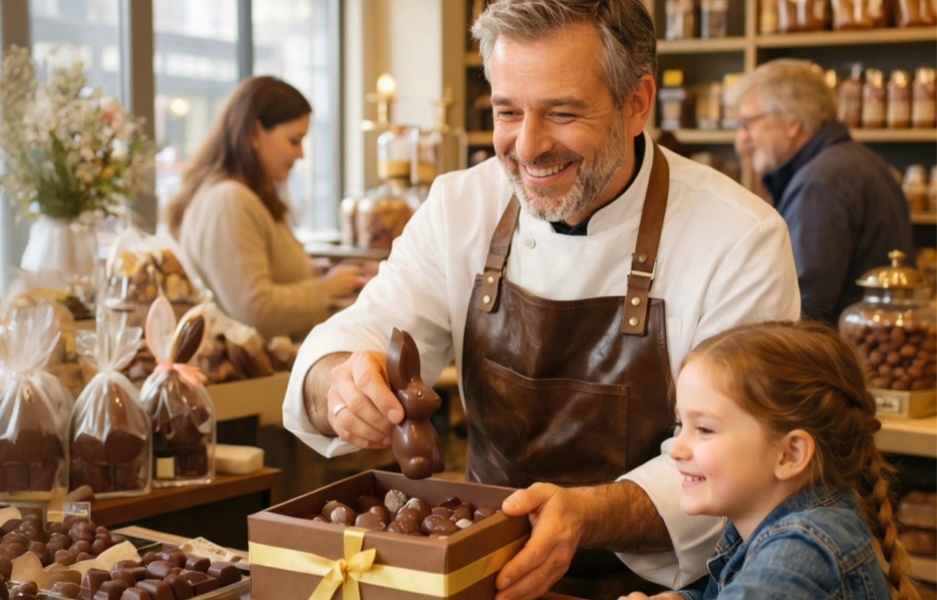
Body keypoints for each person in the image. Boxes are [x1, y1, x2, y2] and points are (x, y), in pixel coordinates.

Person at [281, 0, 802, 597]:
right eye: (508, 111)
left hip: (664, 586)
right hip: (483, 571)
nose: (527, 147)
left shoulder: (738, 237)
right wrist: (340, 384)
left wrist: (586, 516)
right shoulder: (461, 208)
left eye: (560, 112)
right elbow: (364, 332)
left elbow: (743, 461)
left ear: (637, 103)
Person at [620, 321, 918, 600]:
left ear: (790, 455)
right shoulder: (767, 520)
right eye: (680, 425)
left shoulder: (801, 554)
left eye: (705, 429)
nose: (677, 449)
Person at [165, 76, 363, 340]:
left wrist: (307, 271)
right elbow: (254, 310)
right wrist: (326, 289)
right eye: (294, 141)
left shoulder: (237, 196)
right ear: (256, 133)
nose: (301, 154)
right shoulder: (231, 200)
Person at [731, 59, 915, 328]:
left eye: (748, 123)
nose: (742, 138)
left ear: (792, 121)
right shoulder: (858, 161)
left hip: (846, 360)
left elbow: (803, 307)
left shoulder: (819, 184)